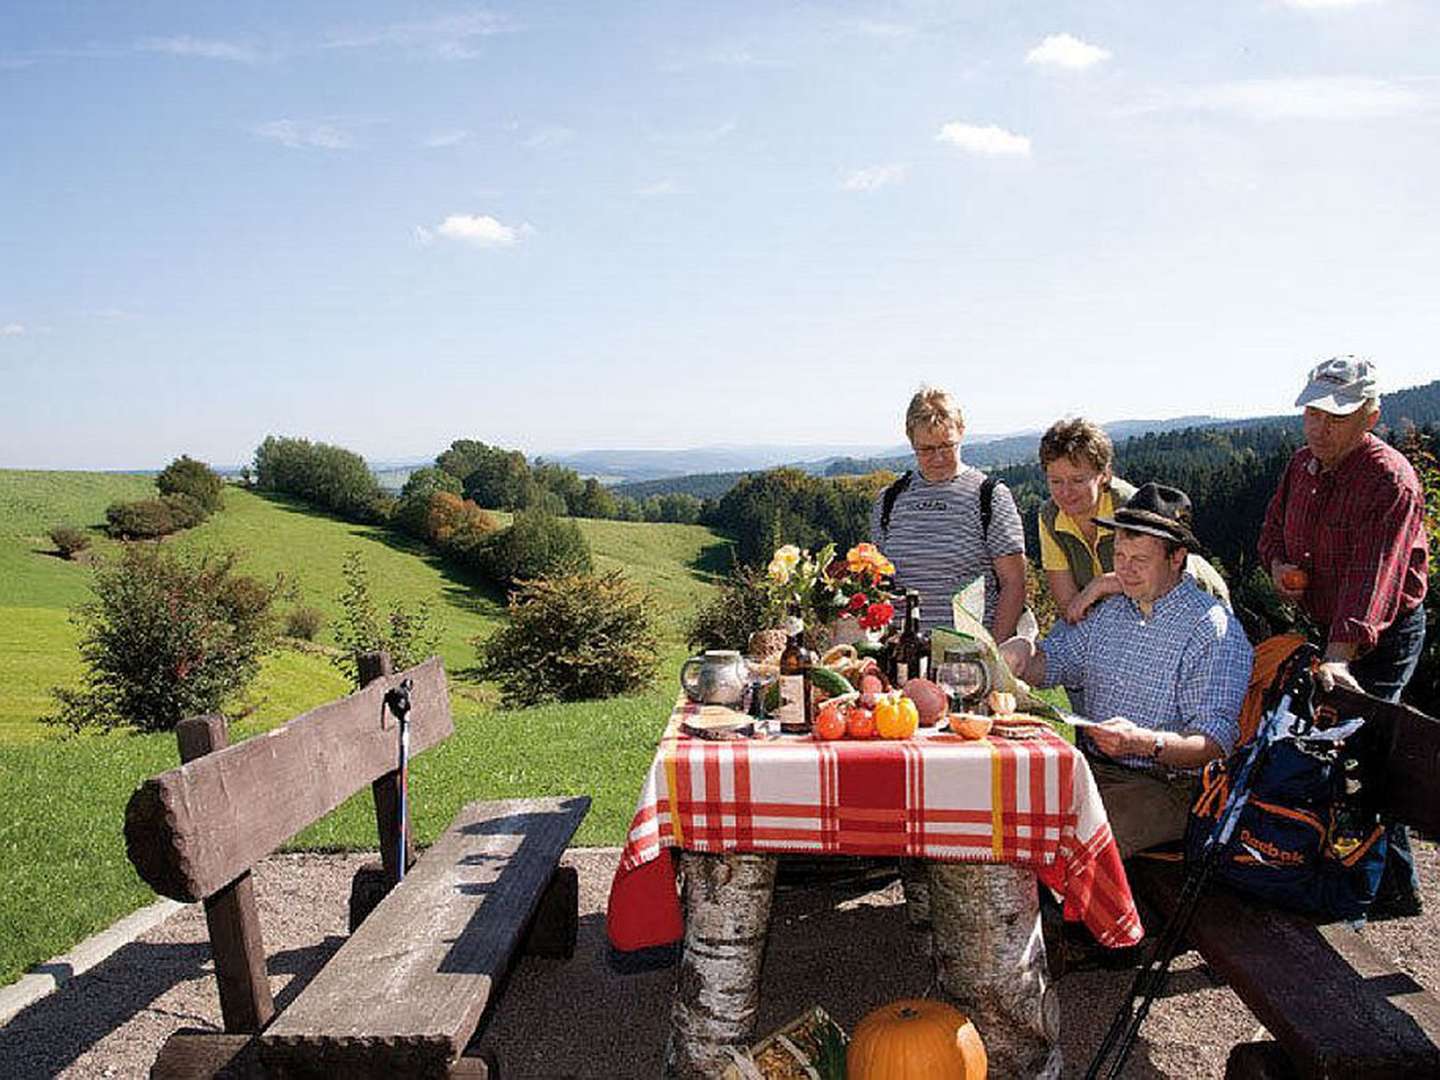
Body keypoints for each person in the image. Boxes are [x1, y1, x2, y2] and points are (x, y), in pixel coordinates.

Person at [1258, 355, 1429, 913]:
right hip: (1327, 626)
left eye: (1335, 415)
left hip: (1383, 633)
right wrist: (1280, 566)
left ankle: (1386, 885)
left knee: (1369, 746)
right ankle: (1380, 878)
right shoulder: (1300, 467)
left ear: (1371, 416)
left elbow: (1373, 579)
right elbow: (1271, 535)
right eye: (1312, 412)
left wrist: (1338, 656)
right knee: (1351, 748)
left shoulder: (1389, 481)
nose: (1317, 427)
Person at [1002, 483, 1254, 858]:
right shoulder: (1111, 608)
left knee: (1068, 838)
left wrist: (1143, 742)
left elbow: (1214, 744)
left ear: (1176, 557)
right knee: (1005, 807)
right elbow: (1054, 663)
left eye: (1140, 559)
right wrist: (1023, 655)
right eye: (1119, 555)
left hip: (1169, 786)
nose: (1126, 570)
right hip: (1094, 768)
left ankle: (1088, 914)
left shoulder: (1211, 628)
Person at [1039, 416, 1231, 625]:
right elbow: (1071, 607)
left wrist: (1102, 584)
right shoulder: (1050, 517)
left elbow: (1162, 579)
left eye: (1078, 480)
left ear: (1104, 475)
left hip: (1196, 600)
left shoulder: (1131, 507)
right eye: (1055, 481)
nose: (1066, 492)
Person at [872, 386, 1027, 641]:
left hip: (967, 658)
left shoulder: (989, 497)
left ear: (962, 433)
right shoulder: (889, 500)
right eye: (926, 449)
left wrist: (994, 654)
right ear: (911, 442)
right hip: (901, 653)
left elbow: (1014, 583)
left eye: (947, 446)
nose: (938, 458)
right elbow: (878, 583)